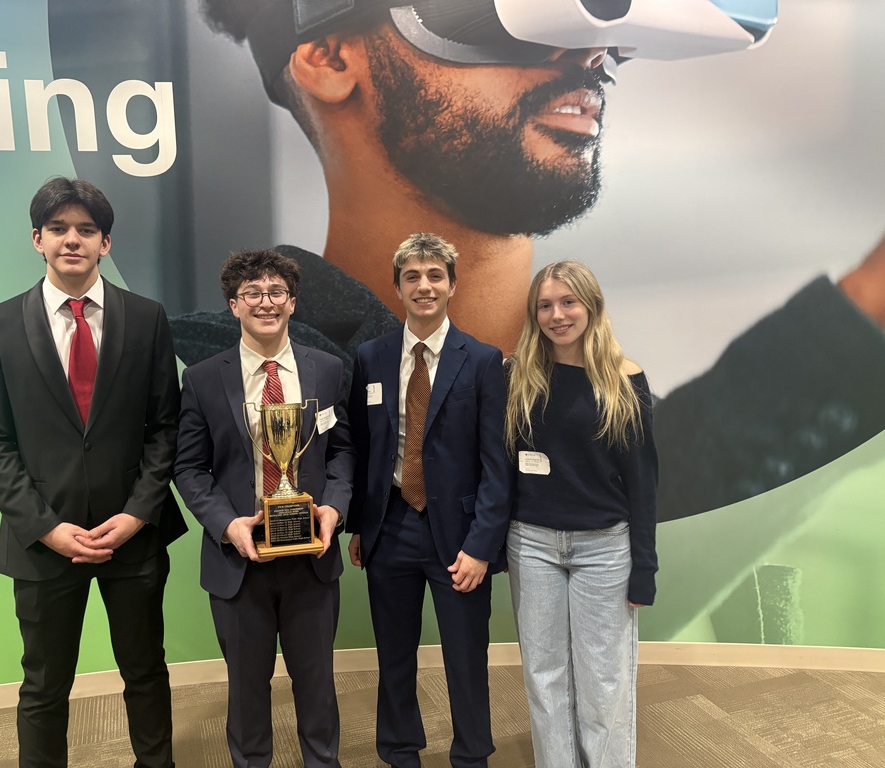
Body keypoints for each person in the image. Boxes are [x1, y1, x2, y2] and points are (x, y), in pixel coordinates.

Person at [175, 0, 885, 641]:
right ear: (329, 58)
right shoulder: (204, 369)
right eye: (511, 18)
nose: (583, 56)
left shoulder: (654, 424)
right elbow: (450, 604)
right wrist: (857, 322)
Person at [0, 177, 186, 768]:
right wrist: (44, 527)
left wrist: (138, 512)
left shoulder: (146, 318)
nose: (73, 240)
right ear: (37, 239)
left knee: (145, 671)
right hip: (43, 543)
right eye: (59, 229)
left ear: (105, 243)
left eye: (86, 230)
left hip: (131, 536)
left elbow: (166, 426)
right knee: (44, 686)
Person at [173, 249, 354, 767]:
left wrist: (334, 510)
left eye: (277, 292)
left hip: (312, 559)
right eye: (252, 293)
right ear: (233, 305)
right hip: (239, 563)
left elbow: (344, 452)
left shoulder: (327, 369)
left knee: (317, 687)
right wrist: (228, 525)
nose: (266, 303)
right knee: (247, 691)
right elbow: (190, 468)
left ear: (293, 302)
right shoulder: (204, 378)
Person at [347, 233, 512, 768]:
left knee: (467, 657)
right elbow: (362, 446)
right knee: (394, 655)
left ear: (452, 285)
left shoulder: (483, 360)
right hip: (390, 526)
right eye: (412, 276)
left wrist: (483, 545)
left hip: (459, 538)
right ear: (397, 287)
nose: (424, 286)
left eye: (435, 275)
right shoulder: (370, 358)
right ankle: (399, 752)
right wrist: (358, 524)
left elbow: (496, 463)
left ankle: (471, 756)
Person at [505, 260, 657, 768]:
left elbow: (643, 481)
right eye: (545, 305)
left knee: (603, 682)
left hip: (604, 549)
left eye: (568, 302)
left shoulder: (624, 379)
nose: (557, 315)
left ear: (591, 306)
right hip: (532, 545)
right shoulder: (517, 376)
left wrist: (645, 569)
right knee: (544, 679)